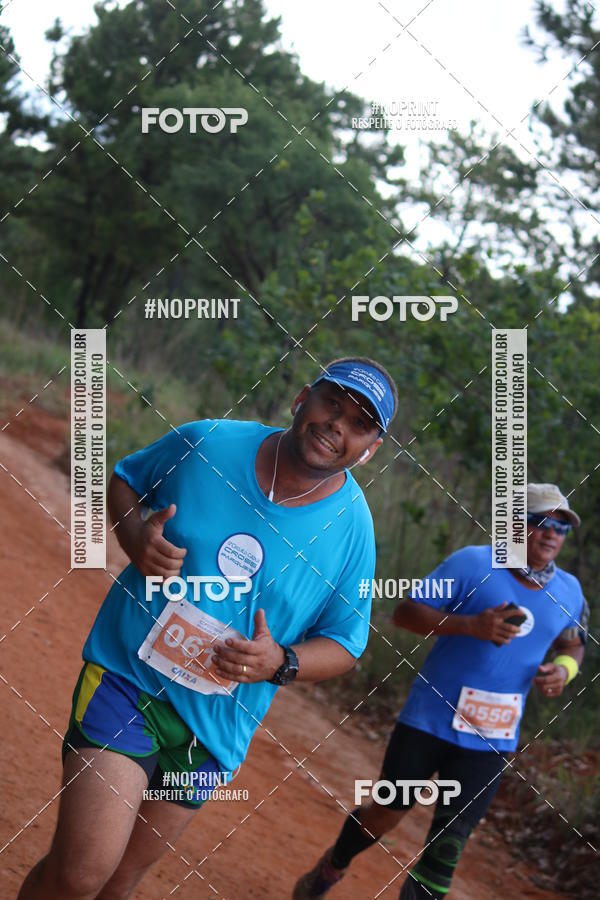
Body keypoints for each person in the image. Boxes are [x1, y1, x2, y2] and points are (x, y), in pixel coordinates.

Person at [18, 357, 398, 900]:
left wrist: (281, 662)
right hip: (128, 680)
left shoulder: (353, 532)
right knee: (83, 873)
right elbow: (127, 480)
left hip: (213, 733)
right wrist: (134, 539)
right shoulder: (208, 445)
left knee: (118, 883)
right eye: (331, 404)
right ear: (301, 399)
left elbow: (345, 643)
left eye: (360, 423)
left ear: (371, 448)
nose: (338, 425)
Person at [293, 482, 588, 899]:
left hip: (491, 740)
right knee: (386, 814)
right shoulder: (472, 564)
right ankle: (332, 867)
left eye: (562, 527)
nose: (551, 533)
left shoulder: (570, 593)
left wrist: (565, 669)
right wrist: (469, 625)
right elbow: (406, 612)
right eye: (540, 521)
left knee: (449, 842)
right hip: (428, 721)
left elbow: (573, 641)